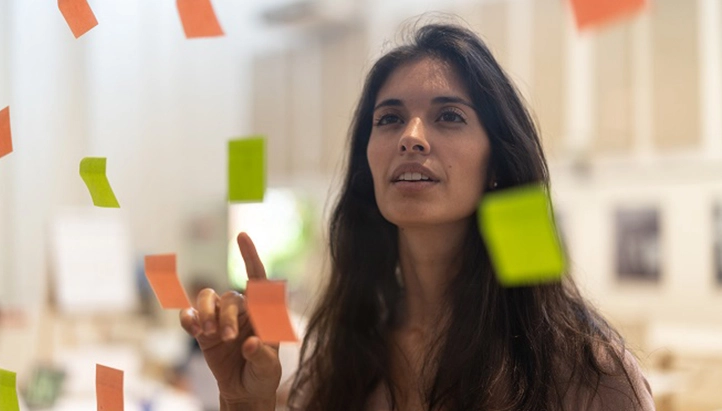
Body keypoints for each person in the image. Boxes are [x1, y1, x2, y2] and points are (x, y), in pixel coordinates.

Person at [180, 22, 655, 410]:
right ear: (368, 162)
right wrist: (245, 400)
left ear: (496, 162)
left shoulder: (587, 371)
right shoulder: (339, 358)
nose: (411, 137)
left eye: (449, 116)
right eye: (388, 119)